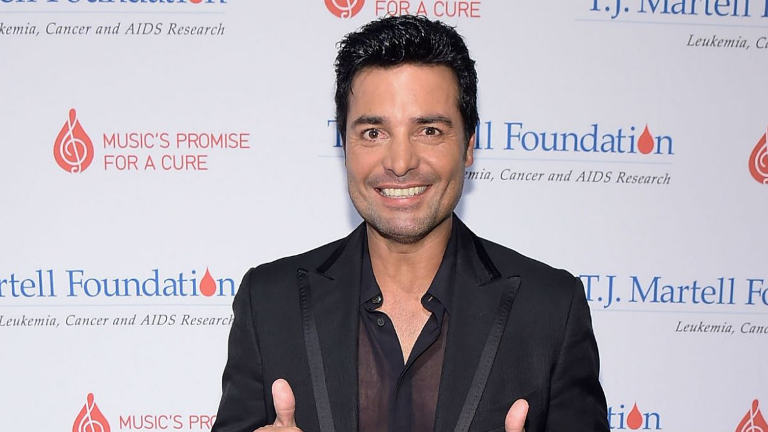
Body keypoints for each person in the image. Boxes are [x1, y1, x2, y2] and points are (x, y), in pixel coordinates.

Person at [211, 15, 608, 432]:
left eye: (429, 130)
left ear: (469, 145)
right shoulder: (270, 303)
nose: (400, 163)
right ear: (344, 146)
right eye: (373, 133)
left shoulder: (550, 308)